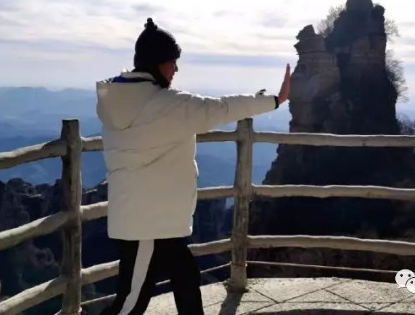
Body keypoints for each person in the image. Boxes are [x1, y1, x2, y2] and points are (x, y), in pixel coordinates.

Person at [96, 17, 291, 315]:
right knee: (131, 303)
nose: (176, 69)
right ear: (157, 63)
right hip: (148, 222)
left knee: (185, 277)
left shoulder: (119, 100)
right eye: (172, 62)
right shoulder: (169, 105)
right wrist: (274, 100)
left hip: (148, 216)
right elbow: (221, 108)